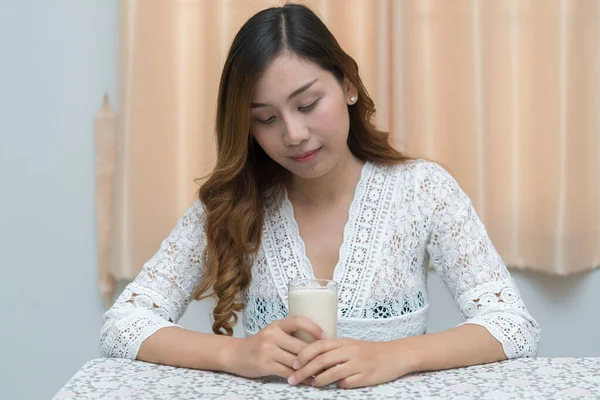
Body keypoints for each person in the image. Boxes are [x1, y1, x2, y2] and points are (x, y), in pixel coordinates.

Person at [100, 3, 540, 389]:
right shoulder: (234, 202)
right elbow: (124, 325)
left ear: (348, 85)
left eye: (307, 104)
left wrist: (397, 355)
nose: (294, 134)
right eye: (266, 118)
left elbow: (511, 325)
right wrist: (237, 355)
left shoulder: (423, 190)